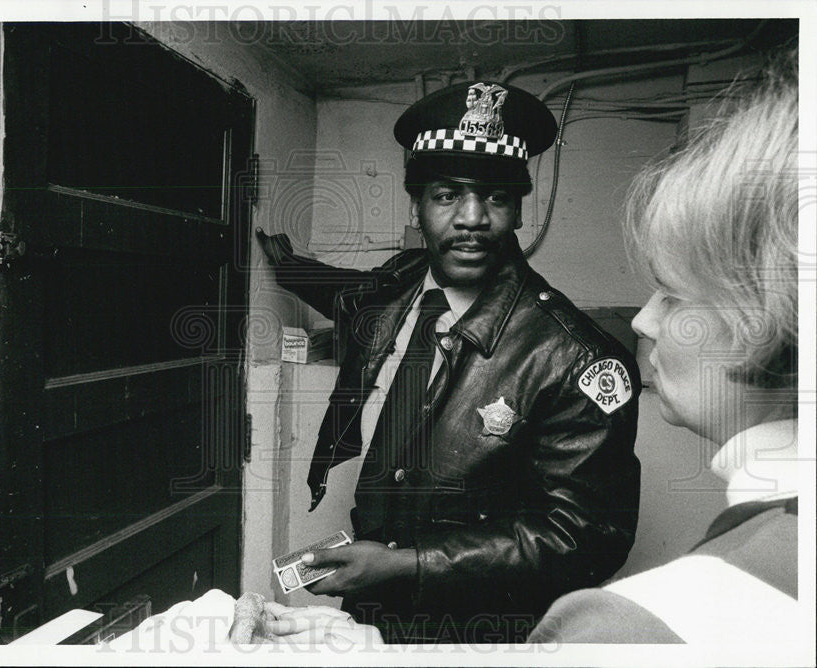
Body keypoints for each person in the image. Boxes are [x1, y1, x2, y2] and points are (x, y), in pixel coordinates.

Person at [257, 80, 642, 643]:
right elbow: (347, 292)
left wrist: (408, 564)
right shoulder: (399, 285)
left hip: (485, 633)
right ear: (416, 203)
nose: (471, 218)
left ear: (516, 210)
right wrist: (288, 268)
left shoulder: (573, 357)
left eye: (494, 197)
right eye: (445, 195)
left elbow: (585, 538)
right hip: (375, 610)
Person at [528, 50, 800, 645]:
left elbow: (580, 531)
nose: (644, 320)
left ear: (769, 318)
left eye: (673, 294)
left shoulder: (627, 631)